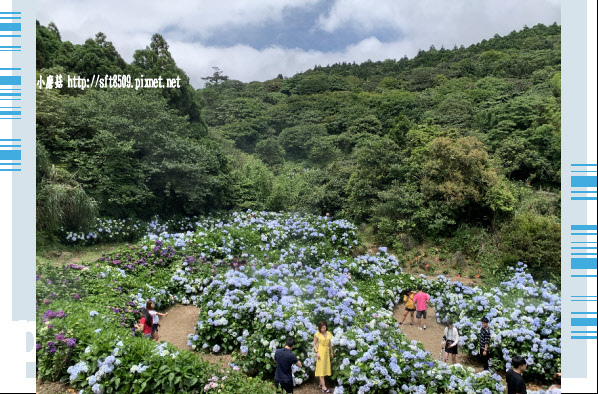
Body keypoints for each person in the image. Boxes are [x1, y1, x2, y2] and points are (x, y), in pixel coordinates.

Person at [313, 321, 334, 393]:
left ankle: (320, 383)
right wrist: (317, 352)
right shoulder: (317, 334)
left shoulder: (328, 333)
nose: (323, 329)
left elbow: (329, 343)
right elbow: (314, 344)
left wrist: (331, 351)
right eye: (321, 328)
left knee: (324, 367)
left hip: (326, 352)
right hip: (320, 352)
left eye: (324, 328)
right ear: (319, 328)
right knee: (321, 369)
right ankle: (324, 387)